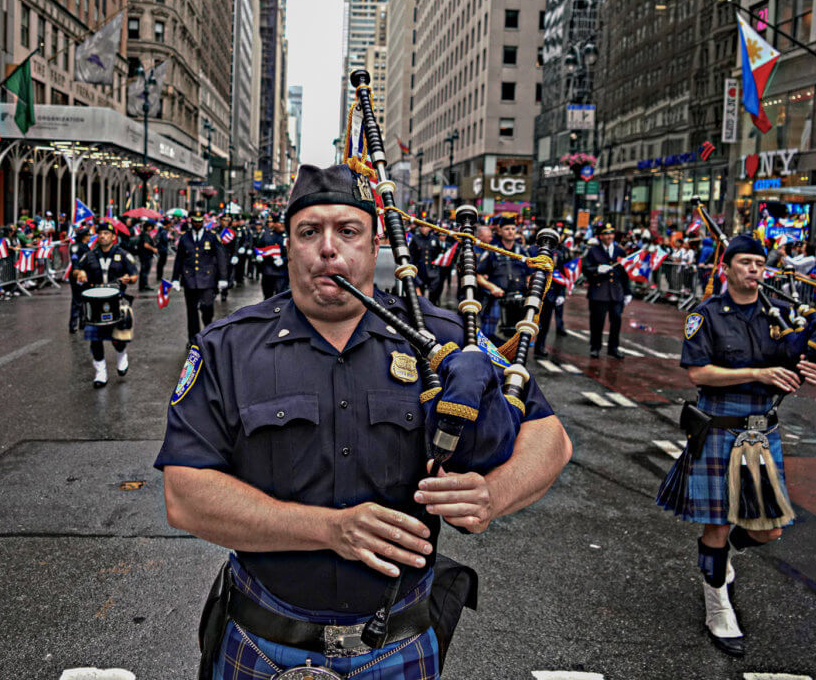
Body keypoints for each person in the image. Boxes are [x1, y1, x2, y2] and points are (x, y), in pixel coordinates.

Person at [156, 163, 571, 679]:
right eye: (309, 232)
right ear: (288, 246)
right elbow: (185, 495)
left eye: (348, 231)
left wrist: (494, 493)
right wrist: (329, 530)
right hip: (262, 645)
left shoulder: (441, 340)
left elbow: (549, 435)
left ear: (376, 248)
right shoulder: (226, 347)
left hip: (398, 647)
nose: (329, 248)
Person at [656, 234, 816, 657]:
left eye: (759, 263)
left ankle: (721, 556)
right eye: (746, 262)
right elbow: (698, 373)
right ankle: (718, 608)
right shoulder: (708, 314)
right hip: (719, 425)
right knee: (715, 523)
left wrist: (809, 370)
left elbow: (794, 362)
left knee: (768, 529)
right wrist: (760, 372)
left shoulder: (780, 315)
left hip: (761, 429)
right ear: (726, 268)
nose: (754, 269)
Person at [75, 221, 138, 387]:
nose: (103, 236)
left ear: (113, 237)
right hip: (94, 302)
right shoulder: (90, 255)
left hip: (116, 300)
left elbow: (133, 275)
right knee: (95, 339)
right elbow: (77, 269)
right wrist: (80, 272)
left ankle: (121, 354)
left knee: (118, 337)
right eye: (100, 233)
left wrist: (129, 279)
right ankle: (100, 372)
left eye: (106, 234)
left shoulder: (123, 254)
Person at [475, 215, 531, 343]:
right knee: (489, 341)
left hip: (519, 301)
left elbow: (530, 274)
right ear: (499, 231)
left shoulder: (522, 252)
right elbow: (477, 275)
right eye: (507, 229)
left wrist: (529, 285)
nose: (511, 231)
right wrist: (492, 287)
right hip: (497, 300)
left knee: (517, 342)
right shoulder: (492, 251)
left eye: (513, 228)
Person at [173, 219, 228, 344]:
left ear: (203, 222)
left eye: (199, 222)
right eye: (194, 222)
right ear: (191, 222)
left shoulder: (212, 237)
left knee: (207, 306)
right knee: (191, 310)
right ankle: (193, 338)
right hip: (190, 278)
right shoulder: (185, 238)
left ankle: (208, 330)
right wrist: (175, 278)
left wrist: (223, 277)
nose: (197, 224)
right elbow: (179, 259)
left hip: (208, 278)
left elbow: (221, 257)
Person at [582, 223, 630, 359]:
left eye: (611, 233)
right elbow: (585, 269)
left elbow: (625, 272)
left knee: (616, 321)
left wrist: (628, 292)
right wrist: (596, 270)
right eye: (606, 234)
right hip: (599, 292)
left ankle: (613, 347)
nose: (609, 236)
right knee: (597, 322)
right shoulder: (593, 251)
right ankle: (595, 347)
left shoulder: (620, 251)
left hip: (616, 292)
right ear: (600, 236)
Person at [408, 221, 450, 306]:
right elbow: (412, 255)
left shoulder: (434, 239)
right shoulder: (415, 238)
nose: (424, 229)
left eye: (426, 226)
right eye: (422, 226)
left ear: (430, 227)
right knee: (420, 296)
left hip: (433, 271)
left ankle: (432, 308)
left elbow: (439, 254)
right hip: (420, 270)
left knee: (433, 295)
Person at [67, 223, 92, 334]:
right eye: (88, 235)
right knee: (77, 300)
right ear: (83, 236)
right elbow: (75, 260)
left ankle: (83, 322)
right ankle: (73, 325)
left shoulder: (86, 246)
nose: (89, 237)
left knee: (84, 300)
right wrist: (77, 271)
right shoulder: (76, 246)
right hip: (78, 276)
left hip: (86, 275)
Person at [256, 216, 288, 299]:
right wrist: (258, 255)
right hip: (268, 271)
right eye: (280, 223)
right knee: (267, 297)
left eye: (283, 223)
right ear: (274, 224)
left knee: (281, 298)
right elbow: (258, 247)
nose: (282, 225)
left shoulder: (289, 236)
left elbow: (295, 253)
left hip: (282, 272)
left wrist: (284, 260)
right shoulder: (266, 235)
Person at [136, 220, 158, 292]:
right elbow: (146, 245)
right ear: (148, 227)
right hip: (145, 255)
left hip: (143, 255)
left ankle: (143, 285)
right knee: (145, 270)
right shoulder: (145, 235)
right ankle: (144, 286)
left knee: (144, 270)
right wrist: (153, 249)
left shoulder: (143, 234)